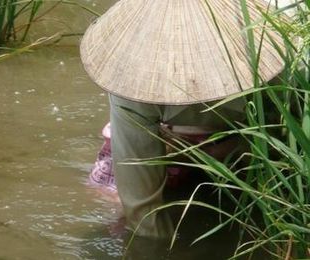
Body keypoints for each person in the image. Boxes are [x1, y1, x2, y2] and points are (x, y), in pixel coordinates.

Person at [80, 0, 285, 238]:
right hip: (168, 142)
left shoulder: (274, 58)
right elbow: (141, 206)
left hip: (240, 138)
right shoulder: (133, 81)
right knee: (116, 206)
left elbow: (279, 138)